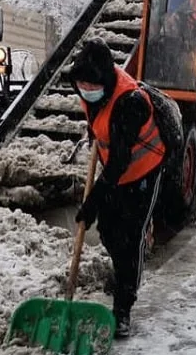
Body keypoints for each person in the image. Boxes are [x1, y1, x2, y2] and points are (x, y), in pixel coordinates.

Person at [68, 38, 167, 339]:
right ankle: (122, 273)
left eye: (91, 85)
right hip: (115, 170)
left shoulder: (130, 102)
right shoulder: (89, 88)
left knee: (130, 238)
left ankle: (124, 307)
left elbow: (120, 162)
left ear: (106, 80)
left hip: (142, 170)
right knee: (109, 231)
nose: (86, 90)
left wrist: (92, 202)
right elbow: (99, 122)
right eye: (81, 84)